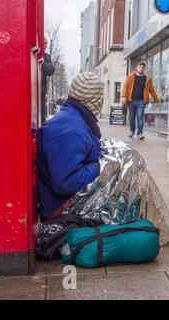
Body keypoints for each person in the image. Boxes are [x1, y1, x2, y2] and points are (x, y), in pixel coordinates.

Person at [36, 72, 104, 220]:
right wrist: (100, 167)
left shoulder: (76, 119)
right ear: (96, 100)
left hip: (66, 203)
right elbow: (66, 183)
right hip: (60, 209)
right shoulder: (70, 131)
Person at [121, 61, 159, 140]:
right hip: (131, 101)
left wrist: (156, 100)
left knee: (140, 117)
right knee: (131, 117)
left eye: (142, 67)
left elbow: (152, 90)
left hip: (141, 101)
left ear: (144, 69)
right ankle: (132, 131)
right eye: (139, 67)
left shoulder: (147, 79)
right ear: (137, 68)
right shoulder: (131, 76)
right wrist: (124, 97)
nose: (141, 68)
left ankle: (139, 133)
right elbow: (126, 87)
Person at [41, 38, 55, 125]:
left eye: (46, 43)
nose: (45, 45)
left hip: (41, 95)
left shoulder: (46, 57)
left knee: (42, 117)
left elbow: (50, 70)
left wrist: (41, 61)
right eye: (43, 43)